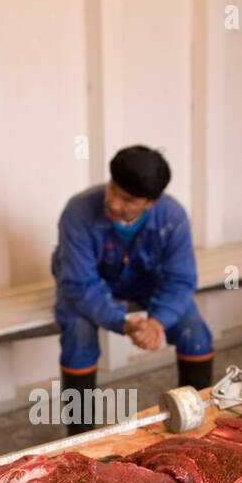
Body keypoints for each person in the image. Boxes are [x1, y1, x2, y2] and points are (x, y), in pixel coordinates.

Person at [50, 145, 214, 434]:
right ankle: (80, 439)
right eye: (113, 189)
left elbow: (181, 279)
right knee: (78, 332)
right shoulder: (78, 212)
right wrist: (121, 322)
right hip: (85, 283)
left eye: (127, 200)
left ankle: (195, 421)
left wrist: (157, 321)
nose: (113, 203)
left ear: (150, 202)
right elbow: (80, 283)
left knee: (194, 331)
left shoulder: (172, 216)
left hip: (145, 281)